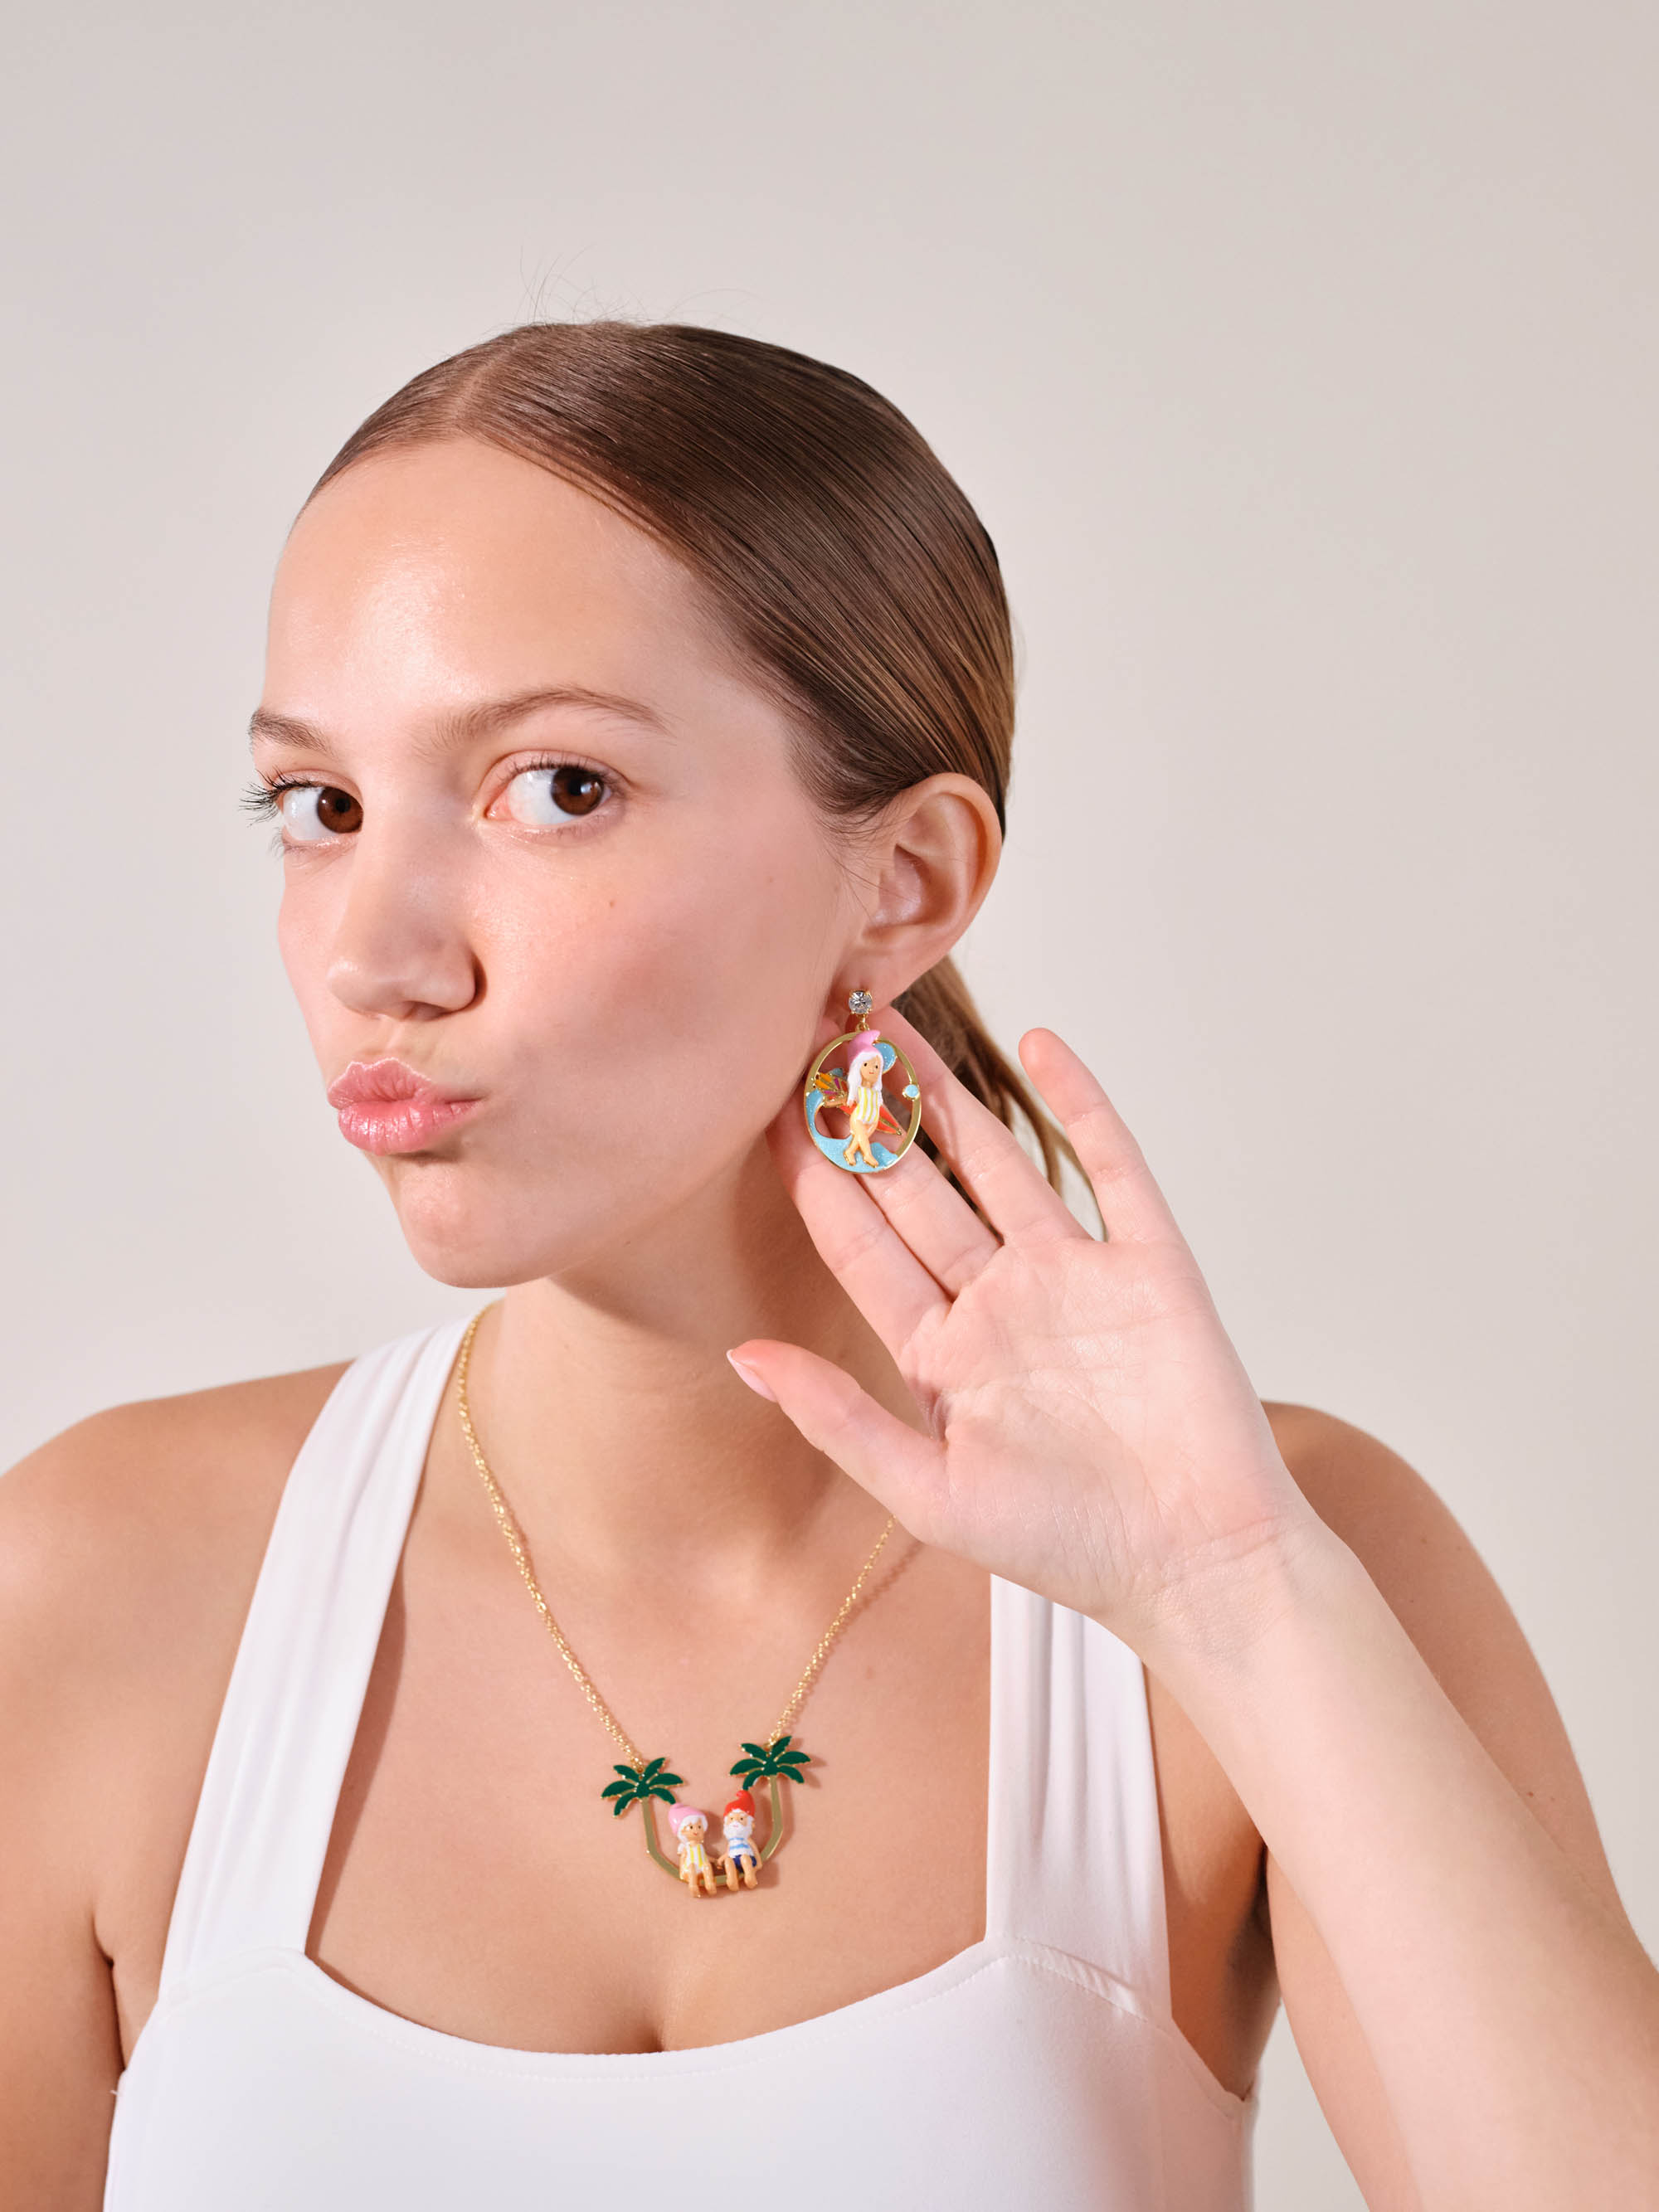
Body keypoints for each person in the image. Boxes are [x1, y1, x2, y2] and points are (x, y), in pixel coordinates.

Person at [1, 319, 1654, 2211]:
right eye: (324, 806)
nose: (377, 950)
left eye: (554, 786)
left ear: (908, 880)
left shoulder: (1279, 1567)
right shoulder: (96, 1592)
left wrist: (1234, 1593)